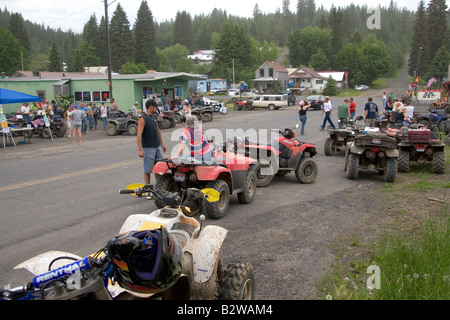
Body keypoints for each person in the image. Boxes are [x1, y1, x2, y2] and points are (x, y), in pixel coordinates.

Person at [137, 99, 167, 185]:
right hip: (148, 148)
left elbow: (158, 131)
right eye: (155, 107)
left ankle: (158, 187)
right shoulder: (143, 119)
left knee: (158, 168)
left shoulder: (154, 116)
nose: (156, 109)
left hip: (157, 146)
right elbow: (139, 134)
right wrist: (140, 150)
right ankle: (148, 189)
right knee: (148, 170)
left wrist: (162, 144)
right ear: (150, 107)